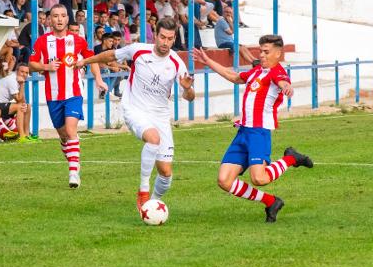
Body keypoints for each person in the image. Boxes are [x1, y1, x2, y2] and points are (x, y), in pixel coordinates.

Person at [192, 35, 314, 223]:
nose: (262, 55)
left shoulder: (277, 72)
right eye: (260, 51)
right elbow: (233, 76)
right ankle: (271, 202)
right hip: (243, 133)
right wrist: (208, 61)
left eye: (266, 52)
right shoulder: (257, 71)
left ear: (278, 53)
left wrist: (287, 87)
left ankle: (291, 158)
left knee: (259, 178)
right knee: (224, 181)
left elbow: (283, 82)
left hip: (259, 132)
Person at [77, 17, 195, 211]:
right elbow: (110, 56)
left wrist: (187, 89)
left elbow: (189, 97)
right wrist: (85, 61)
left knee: (165, 173)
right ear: (155, 36)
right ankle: (143, 191)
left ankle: (152, 204)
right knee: (153, 139)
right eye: (162, 37)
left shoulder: (176, 62)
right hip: (135, 109)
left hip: (160, 116)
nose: (165, 43)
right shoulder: (138, 49)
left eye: (170, 39)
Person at [29, 4, 107, 189]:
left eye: (63, 16)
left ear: (67, 19)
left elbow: (91, 58)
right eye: (55, 16)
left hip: (73, 93)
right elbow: (32, 64)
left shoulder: (78, 40)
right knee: (63, 135)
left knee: (71, 131)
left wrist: (98, 78)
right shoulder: (42, 41)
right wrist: (46, 67)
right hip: (53, 95)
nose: (59, 19)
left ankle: (73, 172)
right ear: (50, 19)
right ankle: (73, 158)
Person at [0, 63, 35, 142]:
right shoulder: (12, 80)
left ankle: (27, 135)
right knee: (20, 107)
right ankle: (21, 137)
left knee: (27, 106)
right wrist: (22, 84)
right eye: (22, 72)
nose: (24, 74)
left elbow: (23, 101)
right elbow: (19, 100)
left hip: (0, 104)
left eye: (26, 73)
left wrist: (22, 85)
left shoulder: (18, 81)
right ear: (16, 71)